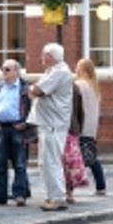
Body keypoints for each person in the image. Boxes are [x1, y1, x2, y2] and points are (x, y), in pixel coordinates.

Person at [30, 43, 74, 211]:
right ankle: (52, 196)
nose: (41, 57)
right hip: (48, 123)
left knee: (51, 162)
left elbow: (38, 90)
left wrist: (33, 89)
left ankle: (57, 197)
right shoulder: (54, 71)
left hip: (53, 125)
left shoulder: (59, 72)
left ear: (50, 57)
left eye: (44, 54)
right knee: (45, 162)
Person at [0, 59, 33, 207]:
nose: (4, 73)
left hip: (17, 128)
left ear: (16, 71)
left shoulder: (24, 89)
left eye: (7, 70)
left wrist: (25, 124)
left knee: (20, 164)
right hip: (1, 128)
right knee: (0, 163)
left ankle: (20, 194)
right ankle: (0, 195)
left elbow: (32, 109)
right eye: (3, 69)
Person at [75, 58, 107, 196]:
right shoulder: (94, 87)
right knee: (92, 158)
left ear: (83, 70)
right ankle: (101, 186)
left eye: (78, 67)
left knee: (74, 157)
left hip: (81, 126)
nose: (75, 69)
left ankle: (71, 187)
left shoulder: (80, 84)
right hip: (91, 128)